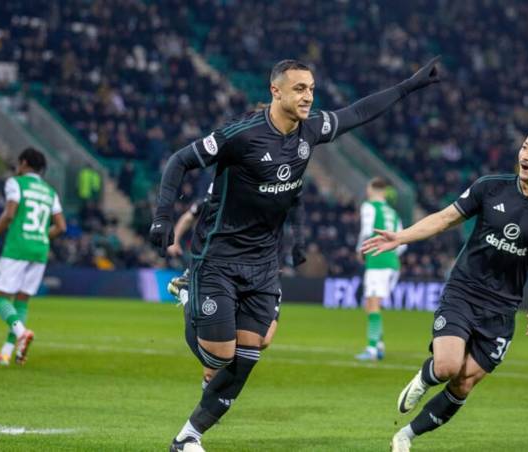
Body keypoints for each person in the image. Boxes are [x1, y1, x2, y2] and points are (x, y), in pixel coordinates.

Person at [149, 57, 441, 451]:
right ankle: (189, 295)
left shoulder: (313, 129)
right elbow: (179, 160)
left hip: (264, 262)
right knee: (219, 356)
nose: (308, 96)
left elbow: (358, 113)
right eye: (300, 89)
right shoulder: (242, 135)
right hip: (219, 256)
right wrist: (162, 216)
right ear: (276, 91)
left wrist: (408, 85)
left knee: (251, 352)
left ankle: (188, 437)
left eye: (312, 89)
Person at [361, 129, 528, 452]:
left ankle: (405, 436)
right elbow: (445, 219)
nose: (525, 156)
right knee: (446, 367)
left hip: (502, 309)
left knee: (464, 383)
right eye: (525, 147)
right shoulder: (490, 187)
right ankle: (424, 379)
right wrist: (401, 237)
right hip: (464, 290)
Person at [166, 183, 307, 388]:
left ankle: (212, 395)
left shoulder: (282, 177)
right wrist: (175, 240)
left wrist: (298, 243)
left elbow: (296, 205)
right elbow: (192, 215)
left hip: (267, 268)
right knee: (220, 347)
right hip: (228, 268)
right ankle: (187, 294)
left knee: (264, 339)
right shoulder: (226, 185)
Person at [0, 148, 67, 366]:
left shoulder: (15, 183)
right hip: (39, 250)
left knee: (0, 298)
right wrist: (40, 236)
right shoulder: (50, 192)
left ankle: (21, 332)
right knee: (22, 301)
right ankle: (6, 352)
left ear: (23, 163)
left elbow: (10, 213)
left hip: (17, 247)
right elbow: (61, 226)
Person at [355, 177, 406, 361]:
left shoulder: (369, 206)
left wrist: (360, 250)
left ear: (371, 190)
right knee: (371, 304)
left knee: (373, 304)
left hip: (378, 261)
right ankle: (380, 345)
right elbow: (402, 243)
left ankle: (371, 349)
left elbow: (367, 231)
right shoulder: (393, 212)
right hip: (392, 263)